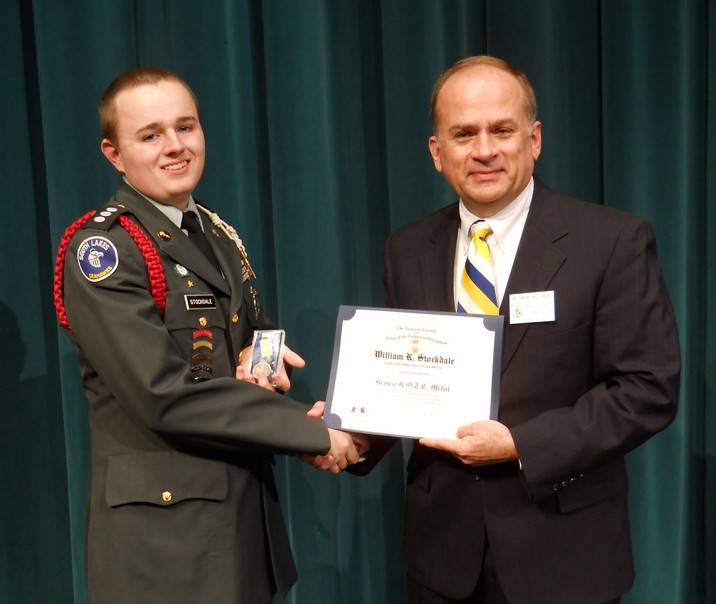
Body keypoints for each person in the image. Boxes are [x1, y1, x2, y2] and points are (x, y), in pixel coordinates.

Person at [342, 56, 681, 604]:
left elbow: (648, 390)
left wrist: (520, 444)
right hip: (441, 560)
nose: (484, 150)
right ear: (437, 152)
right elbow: (406, 386)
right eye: (463, 134)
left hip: (564, 555)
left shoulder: (610, 241)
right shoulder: (406, 249)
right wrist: (350, 437)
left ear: (535, 138)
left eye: (501, 129)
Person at [53, 67, 360, 604]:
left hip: (240, 521)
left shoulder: (213, 231)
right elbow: (163, 396)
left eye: (186, 127)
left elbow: (245, 336)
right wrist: (315, 433)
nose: (175, 146)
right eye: (150, 135)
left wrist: (261, 359)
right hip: (167, 544)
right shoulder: (103, 251)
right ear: (114, 154)